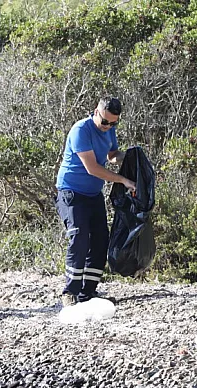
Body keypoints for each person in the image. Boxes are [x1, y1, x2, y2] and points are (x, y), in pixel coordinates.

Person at [55, 96, 136, 307]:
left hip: (93, 194)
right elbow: (93, 168)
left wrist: (126, 157)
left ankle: (88, 291)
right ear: (96, 112)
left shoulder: (109, 129)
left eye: (113, 123)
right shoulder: (81, 130)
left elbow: (111, 155)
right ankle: (70, 291)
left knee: (101, 240)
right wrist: (123, 180)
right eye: (105, 121)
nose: (108, 126)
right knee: (79, 236)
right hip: (71, 192)